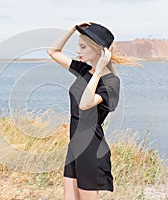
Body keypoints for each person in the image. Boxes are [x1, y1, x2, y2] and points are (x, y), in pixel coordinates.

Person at [47, 22, 139, 200]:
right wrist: (72, 29)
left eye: (83, 46)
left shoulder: (111, 82)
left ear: (99, 51)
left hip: (91, 150)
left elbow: (85, 103)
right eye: (78, 46)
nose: (78, 51)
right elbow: (53, 52)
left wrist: (97, 72)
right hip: (74, 146)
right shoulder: (83, 70)